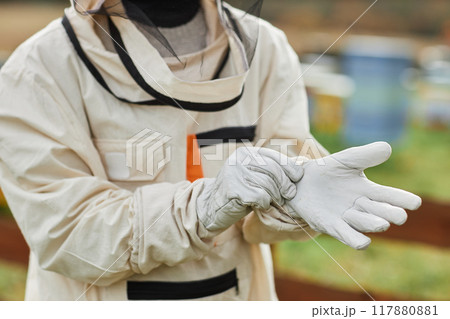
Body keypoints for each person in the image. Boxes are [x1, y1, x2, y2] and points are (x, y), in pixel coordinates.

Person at [0, 0, 420, 300]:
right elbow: (69, 234)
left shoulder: (266, 47)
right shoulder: (36, 70)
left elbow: (261, 226)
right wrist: (207, 204)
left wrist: (294, 192)